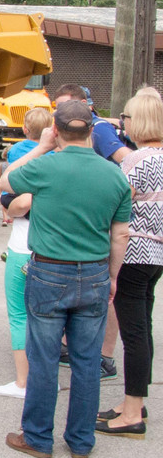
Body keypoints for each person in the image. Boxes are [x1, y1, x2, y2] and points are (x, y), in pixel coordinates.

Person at [0, 100, 131, 458]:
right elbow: (120, 234)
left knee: (43, 358)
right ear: (91, 130)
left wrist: (41, 147)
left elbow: (6, 181)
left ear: (56, 129)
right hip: (94, 271)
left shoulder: (47, 166)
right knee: (87, 361)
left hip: (49, 270)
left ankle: (38, 438)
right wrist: (113, 276)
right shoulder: (114, 175)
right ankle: (81, 440)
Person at [96, 92, 163, 439]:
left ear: (139, 121)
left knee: (133, 333)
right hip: (156, 255)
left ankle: (132, 411)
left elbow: (114, 207)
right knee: (143, 328)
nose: (123, 124)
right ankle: (134, 400)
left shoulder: (136, 162)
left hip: (133, 253)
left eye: (126, 117)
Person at [53, 83, 130, 380]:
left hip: (105, 221)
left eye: (65, 105)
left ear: (84, 106)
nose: (59, 112)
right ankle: (76, 349)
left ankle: (105, 356)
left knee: (109, 294)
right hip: (97, 222)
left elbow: (126, 162)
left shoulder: (99, 130)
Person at [0, 106, 52, 398]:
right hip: (54, 246)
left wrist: (8, 202)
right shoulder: (59, 161)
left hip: (22, 244)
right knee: (49, 317)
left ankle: (23, 382)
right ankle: (45, 378)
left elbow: (14, 196)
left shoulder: (19, 155)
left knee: (19, 315)